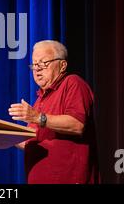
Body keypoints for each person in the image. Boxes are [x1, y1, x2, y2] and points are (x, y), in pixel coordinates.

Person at [8, 40, 99, 184]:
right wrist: (3, 135)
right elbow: (30, 142)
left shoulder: (73, 83)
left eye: (43, 63)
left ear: (62, 65)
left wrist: (37, 117)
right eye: (34, 65)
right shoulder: (40, 100)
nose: (37, 69)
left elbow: (77, 124)